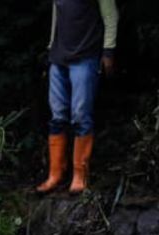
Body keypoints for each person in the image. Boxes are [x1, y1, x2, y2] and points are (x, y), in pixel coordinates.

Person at [37, 0, 119, 194]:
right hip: (58, 58)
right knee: (57, 116)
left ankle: (80, 175)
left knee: (81, 116)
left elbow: (111, 17)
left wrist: (108, 51)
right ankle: (55, 173)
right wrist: (51, 47)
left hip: (85, 57)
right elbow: (56, 15)